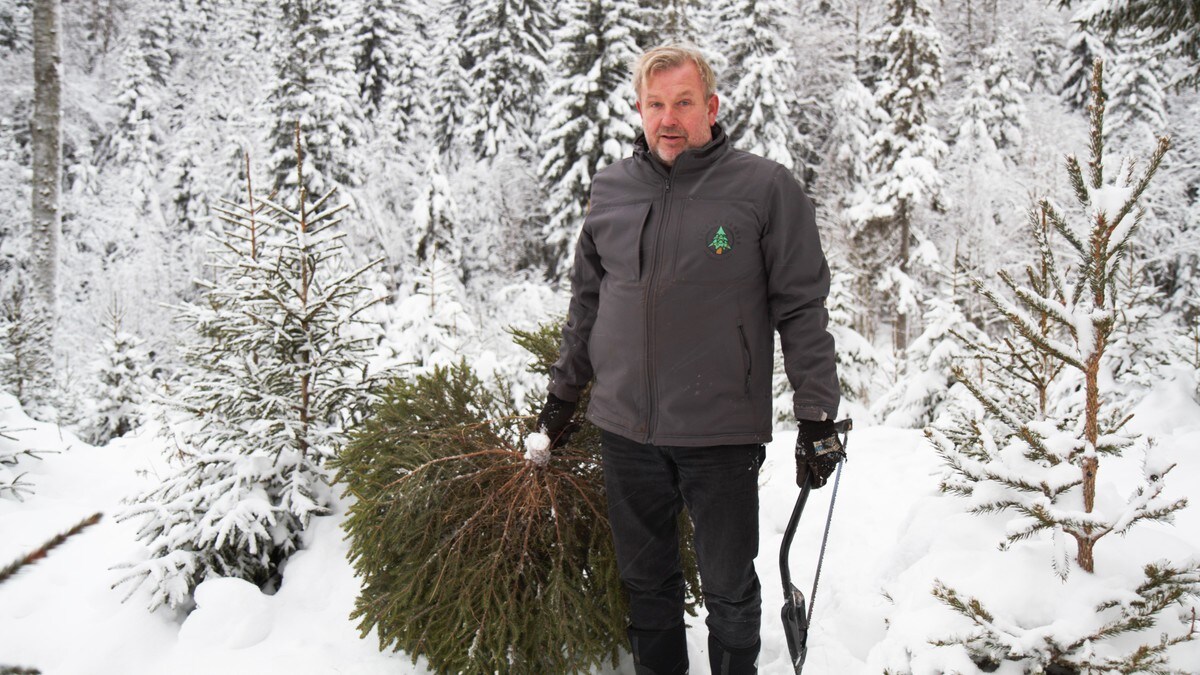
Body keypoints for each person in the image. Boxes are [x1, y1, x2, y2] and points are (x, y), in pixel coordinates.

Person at [536, 44, 842, 675]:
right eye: (655, 105)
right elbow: (587, 305)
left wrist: (816, 415)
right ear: (639, 109)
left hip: (719, 431)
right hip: (625, 430)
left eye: (683, 102)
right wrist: (563, 397)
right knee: (646, 583)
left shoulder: (763, 188)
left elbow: (801, 306)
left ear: (712, 106)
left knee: (729, 587)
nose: (668, 119)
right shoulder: (612, 190)